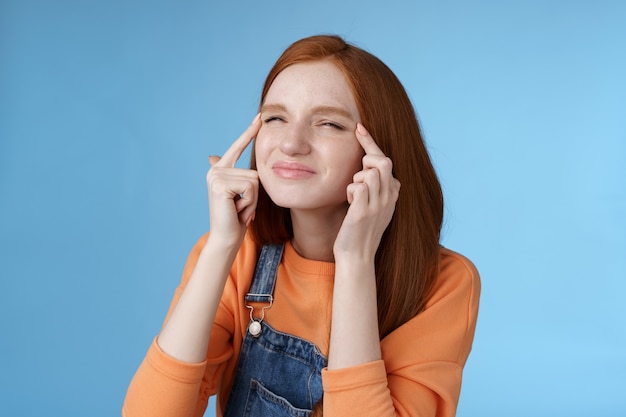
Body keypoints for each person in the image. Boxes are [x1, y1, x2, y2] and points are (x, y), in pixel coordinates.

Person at [123, 34, 480, 417]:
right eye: (276, 118)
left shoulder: (443, 284)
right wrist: (220, 247)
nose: (292, 143)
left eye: (328, 123)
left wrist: (354, 262)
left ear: (380, 153)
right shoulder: (236, 256)